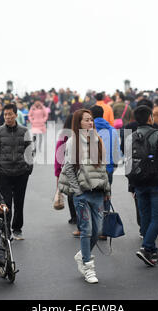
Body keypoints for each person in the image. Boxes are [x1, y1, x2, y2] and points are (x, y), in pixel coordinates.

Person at [58, 109, 111, 284]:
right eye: (87, 120)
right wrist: (78, 192)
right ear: (78, 123)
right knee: (86, 231)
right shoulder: (73, 142)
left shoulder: (97, 141)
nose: (90, 123)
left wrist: (107, 192)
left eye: (91, 120)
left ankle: (82, 254)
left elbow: (102, 169)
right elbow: (67, 169)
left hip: (97, 193)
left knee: (99, 230)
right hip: (81, 195)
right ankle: (88, 267)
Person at [126, 106, 158, 267]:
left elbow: (128, 163)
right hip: (156, 182)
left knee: (145, 217)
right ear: (150, 118)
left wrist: (131, 184)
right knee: (157, 218)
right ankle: (146, 247)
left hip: (138, 182)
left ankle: (151, 251)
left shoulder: (130, 137)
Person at [0, 104, 34, 241]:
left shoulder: (24, 131)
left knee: (19, 202)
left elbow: (30, 151)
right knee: (6, 203)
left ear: (16, 114)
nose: (8, 117)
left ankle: (17, 229)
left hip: (22, 172)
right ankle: (5, 229)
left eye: (10, 114)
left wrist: (29, 168)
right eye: (5, 115)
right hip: (4, 172)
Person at [90, 105, 122, 213]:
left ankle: (95, 218)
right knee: (106, 193)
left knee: (91, 194)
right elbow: (116, 149)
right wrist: (115, 164)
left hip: (91, 169)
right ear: (103, 114)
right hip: (108, 168)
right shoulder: (112, 130)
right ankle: (106, 215)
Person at [54, 114, 79, 235]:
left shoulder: (63, 135)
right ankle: (78, 216)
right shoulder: (79, 134)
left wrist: (58, 173)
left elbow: (58, 156)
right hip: (75, 168)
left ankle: (73, 216)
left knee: (70, 192)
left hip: (66, 167)